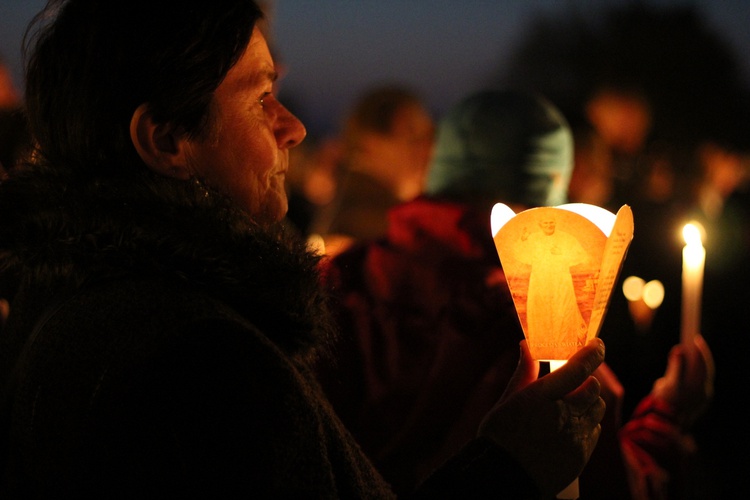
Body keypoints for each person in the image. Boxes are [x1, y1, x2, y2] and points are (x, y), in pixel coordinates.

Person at [0, 2, 607, 498]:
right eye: (260, 99)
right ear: (165, 139)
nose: (293, 127)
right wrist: (508, 468)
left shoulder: (76, 304)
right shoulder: (201, 360)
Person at [316, 89, 714, 499]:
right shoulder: (539, 320)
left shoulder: (334, 282)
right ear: (551, 191)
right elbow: (611, 482)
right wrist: (666, 418)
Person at [310, 85, 435, 255]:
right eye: (422, 135)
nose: (429, 151)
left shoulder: (342, 205)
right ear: (401, 124)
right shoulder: (383, 227)